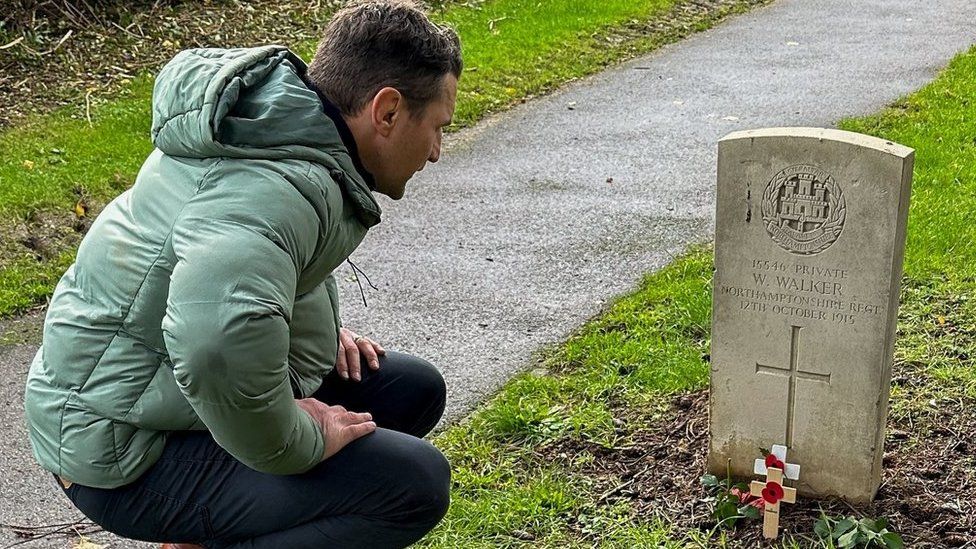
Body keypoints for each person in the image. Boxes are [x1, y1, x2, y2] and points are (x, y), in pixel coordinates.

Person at [23, 1, 462, 547]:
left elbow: (247, 273)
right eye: (438, 127)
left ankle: (209, 531)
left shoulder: (279, 137)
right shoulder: (275, 186)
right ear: (388, 111)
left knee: (411, 391)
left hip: (143, 397)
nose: (438, 151)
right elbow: (216, 343)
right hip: (119, 449)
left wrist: (306, 330)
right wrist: (301, 441)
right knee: (411, 485)